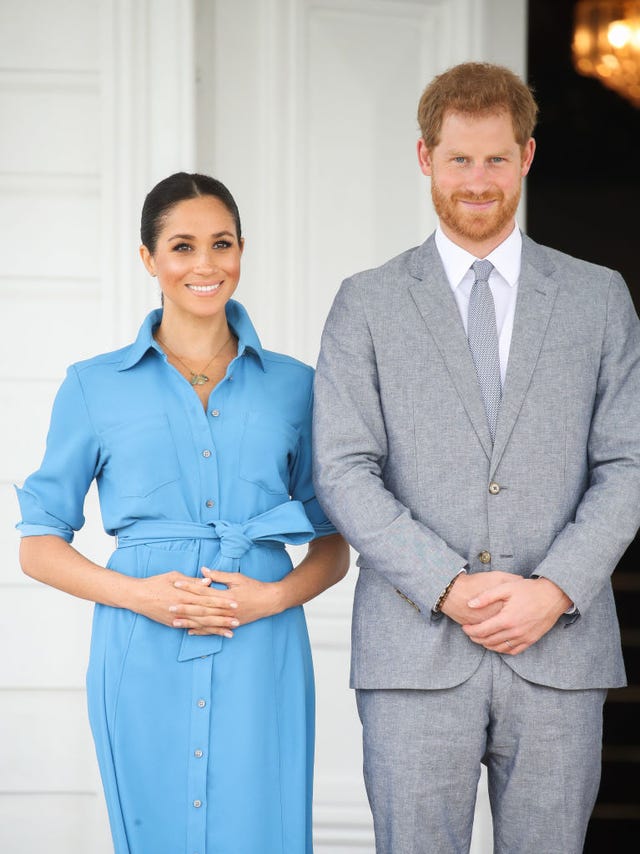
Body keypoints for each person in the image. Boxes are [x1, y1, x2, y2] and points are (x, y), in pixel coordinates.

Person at [312, 62, 640, 854]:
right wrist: (448, 586)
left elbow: (629, 464)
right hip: (413, 652)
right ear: (425, 157)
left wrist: (554, 590)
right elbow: (343, 469)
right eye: (459, 158)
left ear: (527, 156)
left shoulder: (599, 298)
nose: (478, 179)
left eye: (497, 157)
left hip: (558, 651)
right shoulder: (368, 301)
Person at [16, 172, 349, 854]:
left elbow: (334, 541)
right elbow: (38, 543)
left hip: (261, 645)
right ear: (149, 259)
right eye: (182, 246)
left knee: (264, 829)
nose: (205, 264)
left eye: (221, 244)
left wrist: (273, 597)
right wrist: (137, 595)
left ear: (241, 251)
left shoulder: (298, 386)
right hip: (140, 648)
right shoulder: (93, 385)